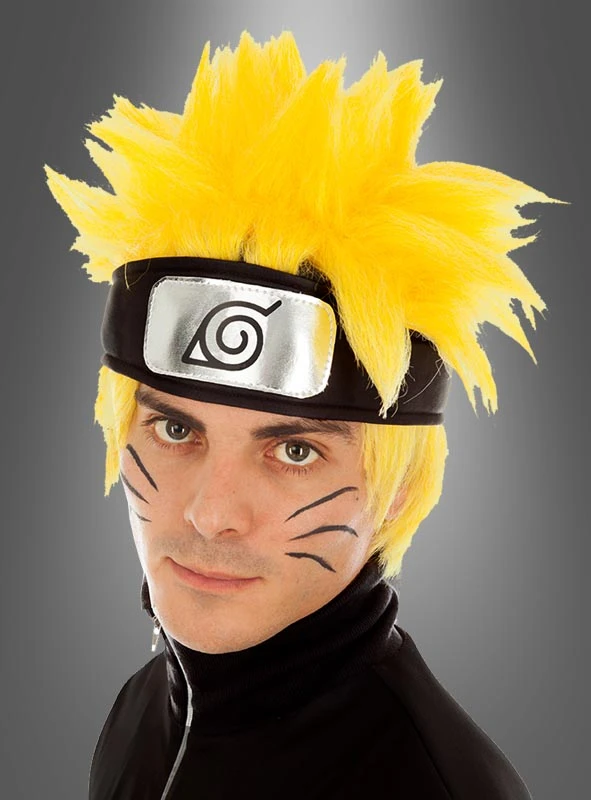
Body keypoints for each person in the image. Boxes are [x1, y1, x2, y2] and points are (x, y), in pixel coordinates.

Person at [45, 30, 558, 799]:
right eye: (176, 429)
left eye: (292, 452)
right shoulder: (140, 709)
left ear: (396, 494)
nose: (212, 514)